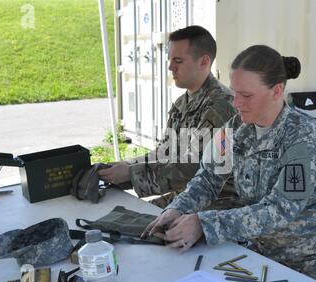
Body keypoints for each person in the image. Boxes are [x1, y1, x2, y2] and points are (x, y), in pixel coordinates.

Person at [142, 45, 316, 282]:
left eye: (246, 95)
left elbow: (281, 209)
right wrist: (178, 208)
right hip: (267, 256)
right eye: (234, 93)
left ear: (277, 91)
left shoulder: (303, 137)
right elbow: (208, 178)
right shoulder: (235, 129)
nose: (236, 103)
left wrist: (204, 224)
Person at [98, 25, 239, 209]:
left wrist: (130, 174)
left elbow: (194, 168)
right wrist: (123, 166)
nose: (170, 67)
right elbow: (166, 152)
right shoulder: (183, 103)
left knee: (137, 225)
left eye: (178, 61)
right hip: (187, 196)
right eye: (170, 59)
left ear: (204, 62)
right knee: (121, 214)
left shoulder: (220, 106)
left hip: (217, 204)